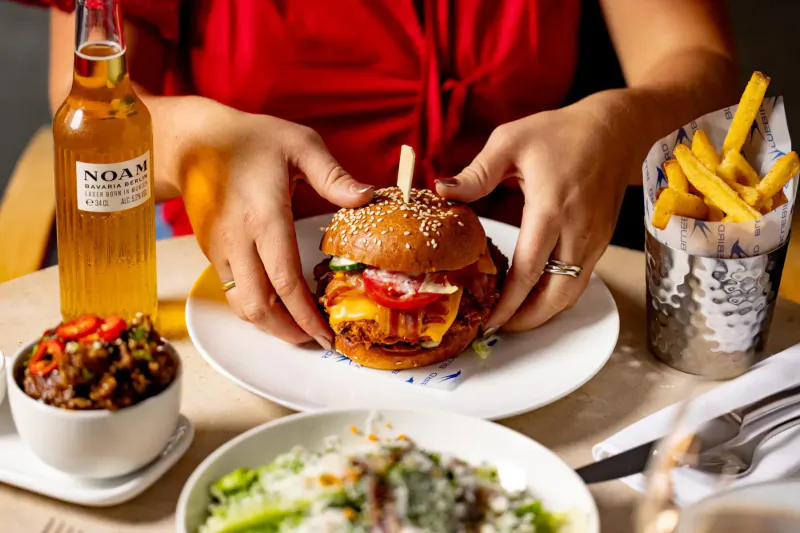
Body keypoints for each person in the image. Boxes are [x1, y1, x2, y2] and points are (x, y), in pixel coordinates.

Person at [31, 0, 737, 349]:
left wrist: (618, 125)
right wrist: (194, 146)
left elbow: (702, 68)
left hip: (534, 299)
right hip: (231, 302)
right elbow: (86, 105)